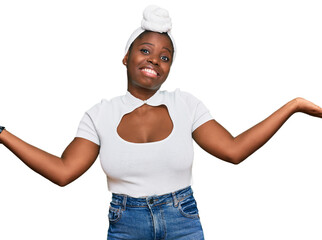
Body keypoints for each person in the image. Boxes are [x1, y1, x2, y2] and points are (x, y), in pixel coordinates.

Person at [0, 5, 321, 240]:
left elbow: (234, 151)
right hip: (126, 223)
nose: (155, 59)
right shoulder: (99, 115)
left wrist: (293, 106)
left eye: (165, 56)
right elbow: (63, 172)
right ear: (126, 57)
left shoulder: (186, 104)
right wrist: (2, 133)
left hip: (182, 220)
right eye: (145, 50)